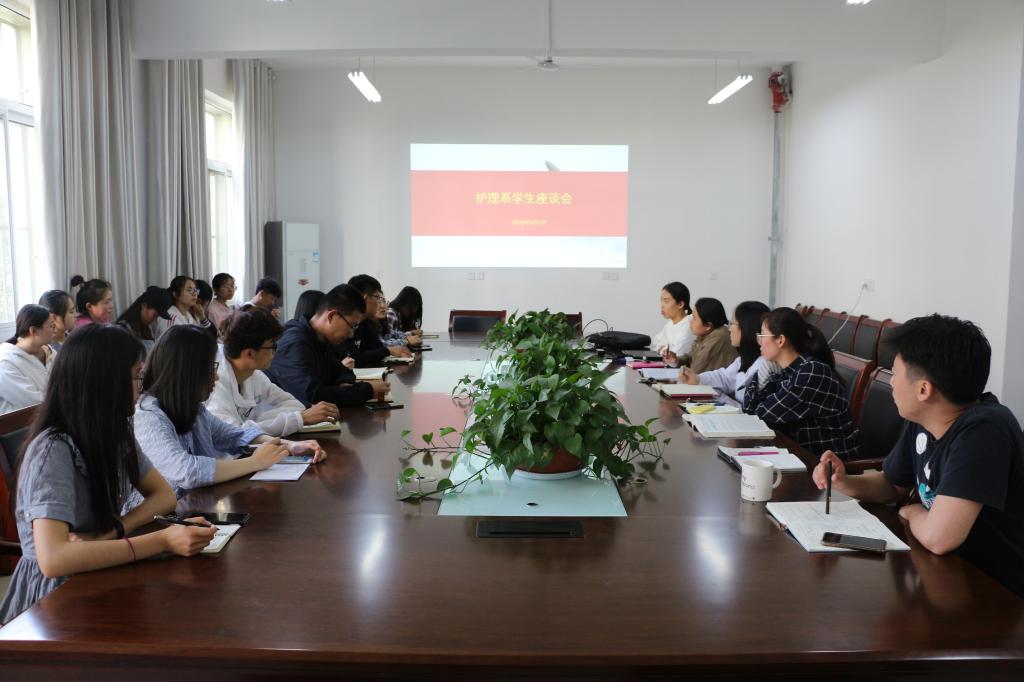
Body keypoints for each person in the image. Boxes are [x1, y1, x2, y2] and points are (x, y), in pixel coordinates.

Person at [0, 325, 216, 625]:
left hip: (98, 569)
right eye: (136, 375)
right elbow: (54, 560)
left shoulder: (115, 432)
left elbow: (163, 495)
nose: (141, 385)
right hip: (52, 603)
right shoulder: (53, 450)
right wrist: (163, 541)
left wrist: (114, 530)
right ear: (107, 382)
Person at [812, 315, 1024, 597]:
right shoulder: (925, 419)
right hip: (944, 577)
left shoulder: (985, 430)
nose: (891, 382)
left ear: (923, 390)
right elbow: (892, 484)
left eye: (895, 373)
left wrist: (912, 512)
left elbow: (939, 538)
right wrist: (844, 481)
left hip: (996, 594)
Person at [134, 326, 325, 495]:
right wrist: (255, 462)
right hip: (162, 519)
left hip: (194, 507)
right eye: (211, 368)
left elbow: (235, 435)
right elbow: (187, 471)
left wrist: (288, 446)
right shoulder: (148, 416)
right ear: (187, 372)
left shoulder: (195, 409)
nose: (216, 377)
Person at [742, 307, 859, 460]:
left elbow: (760, 415)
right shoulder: (784, 371)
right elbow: (749, 411)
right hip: (799, 456)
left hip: (827, 464)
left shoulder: (811, 372)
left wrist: (762, 376)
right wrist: (765, 370)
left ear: (780, 340)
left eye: (762, 335)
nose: (759, 342)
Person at [207, 309, 341, 437]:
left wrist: (259, 423)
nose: (275, 352)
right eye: (273, 346)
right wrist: (298, 419)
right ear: (250, 353)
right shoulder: (215, 383)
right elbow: (233, 434)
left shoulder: (253, 374)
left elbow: (295, 405)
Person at [265, 284, 388, 407]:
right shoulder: (295, 343)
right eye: (352, 326)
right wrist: (368, 390)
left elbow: (343, 372)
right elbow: (312, 396)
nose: (351, 335)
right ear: (331, 316)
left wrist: (343, 385)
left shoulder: (321, 338)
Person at [679, 300, 770, 407]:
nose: (729, 328)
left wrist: (718, 396)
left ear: (746, 328)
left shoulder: (764, 365)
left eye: (732, 323)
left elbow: (750, 411)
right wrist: (697, 379)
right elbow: (724, 377)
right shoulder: (744, 359)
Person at [340, 275, 412, 366]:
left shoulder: (364, 321)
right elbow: (354, 358)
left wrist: (388, 350)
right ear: (365, 299)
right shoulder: (345, 321)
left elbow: (377, 347)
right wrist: (388, 350)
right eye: (377, 298)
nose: (380, 303)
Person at [0, 305, 55, 415]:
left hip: (51, 415)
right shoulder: (5, 363)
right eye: (51, 326)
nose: (55, 329)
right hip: (21, 423)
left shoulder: (50, 353)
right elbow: (33, 402)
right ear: (33, 330)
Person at [676, 297, 737, 374]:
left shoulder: (719, 336)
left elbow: (696, 369)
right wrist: (676, 360)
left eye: (694, 318)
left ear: (708, 325)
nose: (691, 322)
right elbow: (691, 356)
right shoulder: (706, 333)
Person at [115, 286, 173, 355]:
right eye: (155, 315)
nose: (154, 320)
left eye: (157, 317)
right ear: (144, 305)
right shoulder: (122, 329)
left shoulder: (146, 329)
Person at [652, 282, 695, 367]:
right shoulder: (670, 324)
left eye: (666, 301)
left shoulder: (689, 325)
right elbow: (654, 344)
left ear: (680, 304)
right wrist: (664, 349)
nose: (662, 305)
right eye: (661, 300)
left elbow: (676, 355)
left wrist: (663, 349)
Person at [38, 289, 77, 354]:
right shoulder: (47, 350)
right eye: (71, 312)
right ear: (54, 317)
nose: (76, 315)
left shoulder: (74, 338)